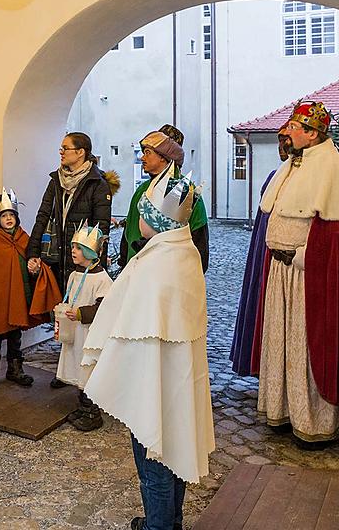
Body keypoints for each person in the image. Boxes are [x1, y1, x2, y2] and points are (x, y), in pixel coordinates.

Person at [82, 163, 214, 530]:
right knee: (173, 453)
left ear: (155, 221)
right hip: (176, 378)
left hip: (151, 379)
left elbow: (124, 321)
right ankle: (170, 521)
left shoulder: (154, 265)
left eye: (142, 213)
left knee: (153, 455)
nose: (137, 218)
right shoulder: (183, 253)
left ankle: (158, 526)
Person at [252, 101, 339, 448]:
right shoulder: (295, 164)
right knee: (285, 345)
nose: (286, 132)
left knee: (308, 349)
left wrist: (304, 258)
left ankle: (317, 423)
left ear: (312, 134)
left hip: (308, 278)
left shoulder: (333, 169)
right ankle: (285, 412)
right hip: (282, 274)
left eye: (294, 128)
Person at [26, 132, 117, 388]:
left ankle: (85, 372)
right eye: (61, 148)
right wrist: (33, 252)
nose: (61, 152)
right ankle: (65, 369)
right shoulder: (56, 180)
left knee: (83, 316)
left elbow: (101, 228)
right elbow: (42, 215)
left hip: (82, 260)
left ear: (81, 152)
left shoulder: (97, 184)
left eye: (66, 148)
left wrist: (92, 259)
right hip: (58, 256)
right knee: (64, 312)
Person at [0, 188, 62, 387]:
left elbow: (32, 261)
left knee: (15, 338)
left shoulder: (25, 239)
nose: (8, 219)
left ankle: (15, 370)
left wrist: (35, 268)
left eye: (11, 215)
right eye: (4, 216)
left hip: (17, 299)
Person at [229, 130, 288, 377]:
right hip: (267, 250)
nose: (281, 148)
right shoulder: (275, 178)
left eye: (285, 142)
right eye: (280, 142)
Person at [119, 125, 209, 273]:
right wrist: (124, 263)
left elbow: (199, 239)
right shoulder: (142, 190)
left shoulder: (186, 193)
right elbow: (129, 230)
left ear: (165, 156)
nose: (142, 157)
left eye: (149, 152)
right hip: (134, 271)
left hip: (167, 275)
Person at [54, 222, 113, 431]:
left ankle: (92, 412)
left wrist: (81, 313)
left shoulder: (102, 279)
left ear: (90, 251)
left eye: (78, 248)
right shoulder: (74, 274)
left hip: (89, 333)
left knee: (88, 370)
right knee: (77, 368)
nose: (73, 251)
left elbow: (105, 308)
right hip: (75, 333)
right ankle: (82, 405)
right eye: (73, 247)